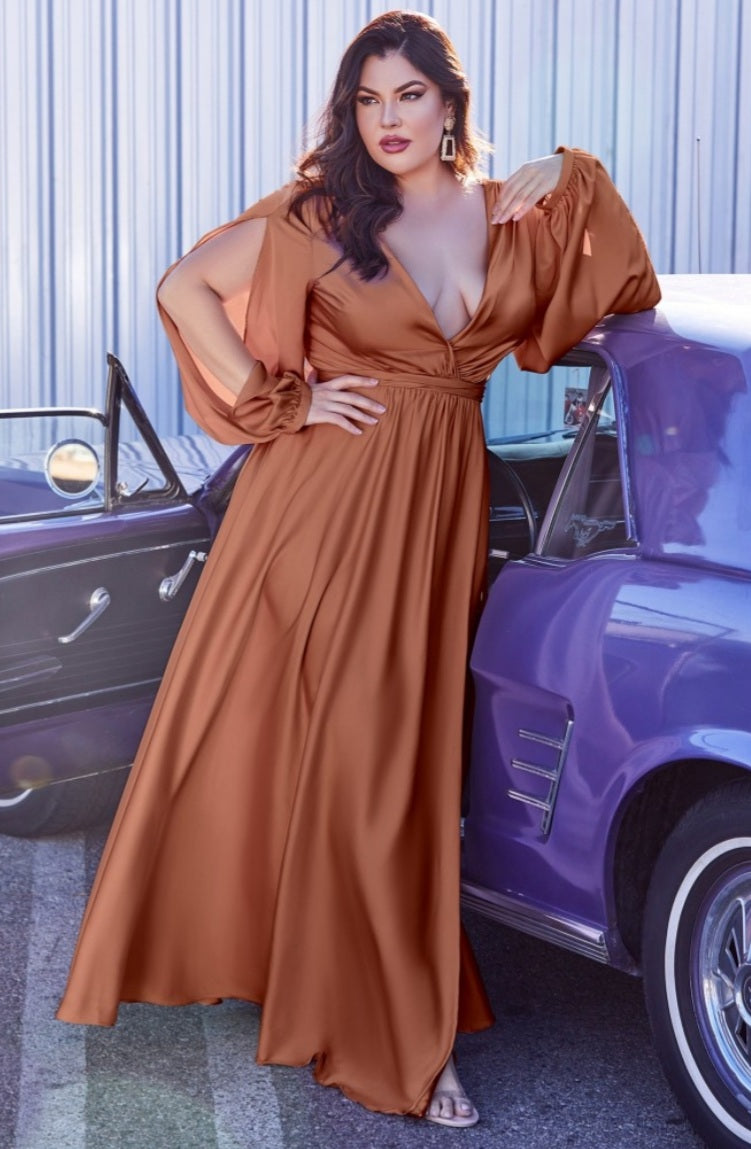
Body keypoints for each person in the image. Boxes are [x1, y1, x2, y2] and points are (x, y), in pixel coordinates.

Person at [56, 8, 660, 1129]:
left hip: (434, 517)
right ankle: (400, 1039)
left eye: (409, 96)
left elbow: (627, 284)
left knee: (394, 761)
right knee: (356, 758)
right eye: (368, 99)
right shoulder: (320, 214)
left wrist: (572, 170)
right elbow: (184, 287)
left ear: (449, 105)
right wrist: (281, 402)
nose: (388, 119)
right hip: (315, 511)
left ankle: (333, 980)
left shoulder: (509, 213)